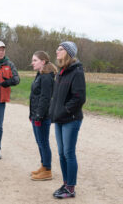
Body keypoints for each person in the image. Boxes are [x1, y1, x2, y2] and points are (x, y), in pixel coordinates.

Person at [49, 41, 86, 198]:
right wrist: (53, 111)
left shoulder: (76, 72)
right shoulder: (61, 72)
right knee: (62, 153)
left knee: (69, 153)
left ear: (69, 53)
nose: (57, 51)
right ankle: (66, 184)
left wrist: (64, 111)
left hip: (71, 119)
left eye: (61, 49)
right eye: (57, 48)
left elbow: (79, 98)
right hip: (59, 119)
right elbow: (56, 97)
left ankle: (71, 188)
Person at [29, 51, 57, 181]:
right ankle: (43, 166)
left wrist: (39, 116)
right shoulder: (40, 75)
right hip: (36, 115)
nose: (32, 63)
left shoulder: (46, 77)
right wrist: (32, 115)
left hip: (42, 116)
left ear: (43, 61)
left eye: (35, 60)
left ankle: (47, 170)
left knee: (43, 143)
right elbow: (35, 97)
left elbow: (45, 98)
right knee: (40, 142)